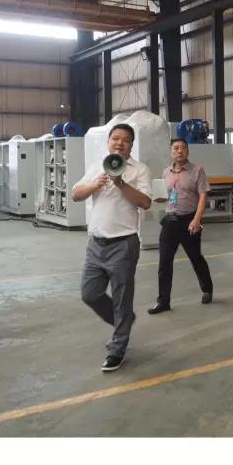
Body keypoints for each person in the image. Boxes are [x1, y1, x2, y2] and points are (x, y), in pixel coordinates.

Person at [72, 124, 152, 372]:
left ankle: (117, 349)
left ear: (131, 145)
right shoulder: (98, 166)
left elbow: (145, 202)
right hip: (96, 244)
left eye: (125, 140)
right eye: (115, 138)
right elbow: (76, 194)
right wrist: (95, 184)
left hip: (123, 244)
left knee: (121, 298)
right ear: (109, 142)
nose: (120, 143)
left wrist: (120, 183)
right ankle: (122, 321)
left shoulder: (139, 169)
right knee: (90, 293)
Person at [148, 138, 214, 313]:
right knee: (164, 262)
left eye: (183, 148)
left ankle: (207, 289)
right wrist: (157, 197)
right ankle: (163, 301)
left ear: (187, 151)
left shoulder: (197, 170)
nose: (180, 151)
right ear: (171, 152)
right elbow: (165, 196)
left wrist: (197, 219)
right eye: (176, 148)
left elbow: (203, 196)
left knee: (195, 258)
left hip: (189, 220)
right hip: (170, 221)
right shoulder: (166, 172)